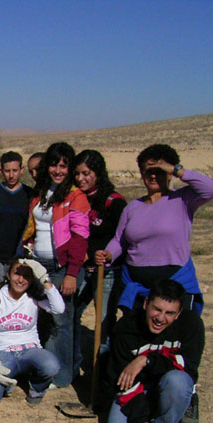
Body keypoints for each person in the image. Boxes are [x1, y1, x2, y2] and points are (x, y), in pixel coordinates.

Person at [95, 144, 213, 315]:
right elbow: (119, 240)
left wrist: (175, 169)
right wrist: (108, 254)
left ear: (169, 173)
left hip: (174, 283)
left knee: (174, 337)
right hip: (136, 285)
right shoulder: (132, 208)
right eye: (148, 171)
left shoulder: (183, 199)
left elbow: (211, 188)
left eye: (159, 171)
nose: (153, 176)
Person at [104, 280, 204, 423]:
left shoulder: (191, 324)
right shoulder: (126, 328)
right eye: (156, 309)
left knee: (179, 381)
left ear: (178, 314)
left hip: (168, 383)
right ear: (145, 304)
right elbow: (121, 378)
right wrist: (140, 421)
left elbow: (188, 366)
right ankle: (151, 417)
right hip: (137, 388)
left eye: (170, 313)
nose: (160, 318)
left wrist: (146, 360)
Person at [21, 142, 90, 389]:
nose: (58, 170)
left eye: (64, 166)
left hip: (62, 266)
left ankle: (63, 376)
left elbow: (81, 237)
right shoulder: (41, 192)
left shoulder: (75, 196)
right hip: (39, 264)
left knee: (62, 322)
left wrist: (72, 273)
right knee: (46, 319)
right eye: (54, 164)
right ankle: (49, 368)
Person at [0, 258, 64, 408]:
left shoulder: (34, 297)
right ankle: (8, 381)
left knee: (51, 365)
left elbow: (59, 308)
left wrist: (45, 278)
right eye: (17, 274)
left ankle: (36, 389)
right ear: (9, 275)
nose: (21, 280)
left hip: (30, 349)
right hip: (4, 352)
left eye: (27, 276)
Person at [72, 150, 127, 369]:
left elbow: (122, 237)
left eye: (86, 173)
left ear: (98, 173)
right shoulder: (77, 199)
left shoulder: (114, 202)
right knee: (72, 314)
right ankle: (74, 365)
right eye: (77, 173)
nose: (81, 178)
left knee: (103, 321)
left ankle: (102, 370)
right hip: (82, 268)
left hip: (108, 271)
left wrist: (101, 252)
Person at [0, 151, 33, 290]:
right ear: (1, 171)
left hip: (20, 257)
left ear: (21, 170)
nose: (11, 175)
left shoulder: (29, 194)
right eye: (7, 171)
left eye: (15, 171)